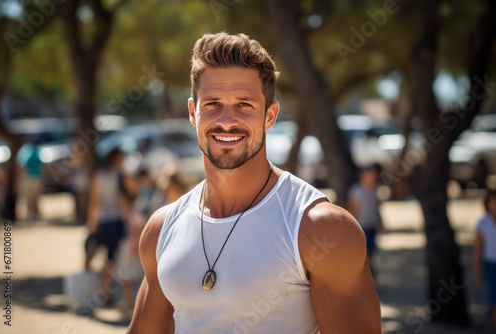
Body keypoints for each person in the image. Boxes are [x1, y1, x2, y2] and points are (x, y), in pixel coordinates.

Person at [127, 32, 380, 333]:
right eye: (213, 104)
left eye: (244, 104)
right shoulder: (161, 229)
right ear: (193, 113)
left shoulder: (321, 230)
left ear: (270, 116)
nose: (226, 120)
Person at [86, 148, 131, 305]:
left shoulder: (98, 176)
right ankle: (106, 293)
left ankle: (107, 293)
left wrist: (92, 224)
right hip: (116, 220)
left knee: (110, 258)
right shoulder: (119, 176)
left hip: (103, 220)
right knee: (114, 259)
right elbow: (125, 200)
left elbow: (94, 202)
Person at [348, 164, 385, 273]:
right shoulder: (356, 191)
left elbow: (377, 209)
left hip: (372, 226)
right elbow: (352, 210)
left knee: (372, 256)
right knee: (363, 257)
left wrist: (382, 224)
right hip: (361, 227)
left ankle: (373, 282)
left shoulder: (375, 190)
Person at [473, 189, 496, 330]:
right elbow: (477, 249)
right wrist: (477, 270)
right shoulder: (483, 223)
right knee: (494, 300)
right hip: (490, 264)